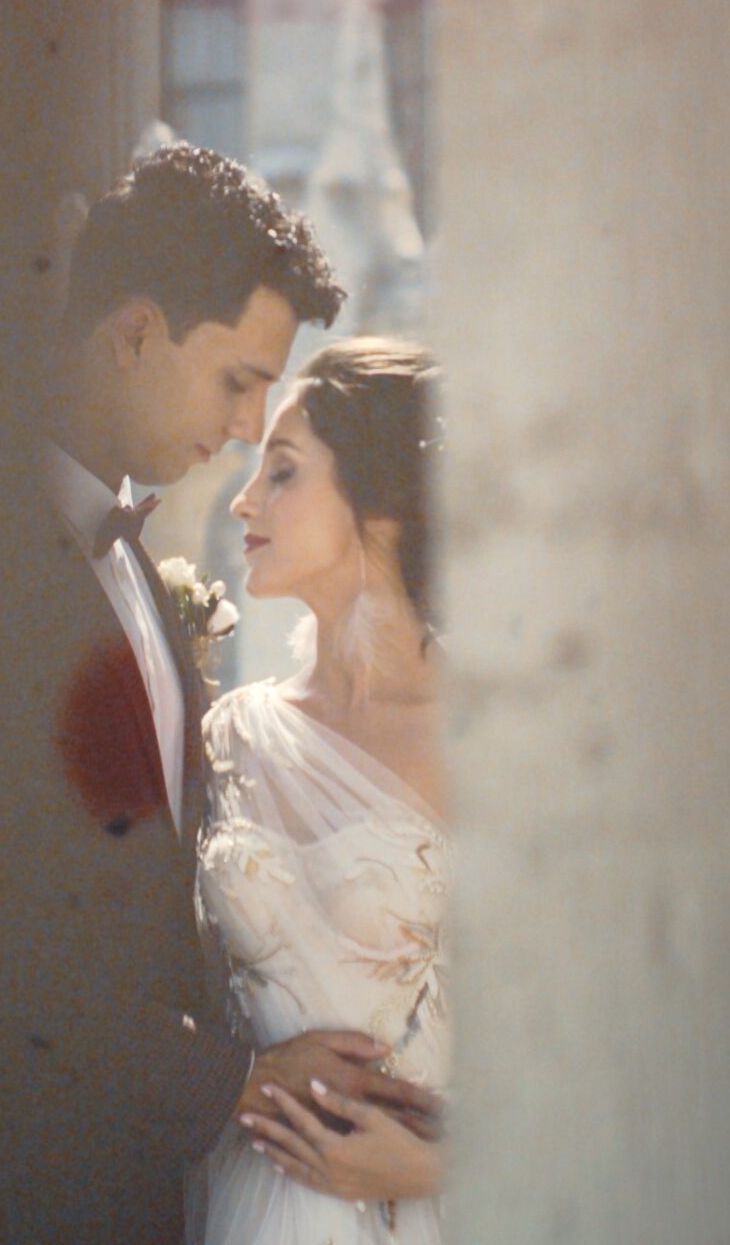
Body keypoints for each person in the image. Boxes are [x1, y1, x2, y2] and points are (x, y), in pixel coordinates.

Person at [16, 146, 439, 1240]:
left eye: (283, 454)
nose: (248, 430)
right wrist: (236, 1085)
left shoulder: (141, 584)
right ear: (135, 334)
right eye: (239, 382)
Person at [197, 337, 452, 1243]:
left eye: (283, 472)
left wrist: (435, 1166)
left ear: (381, 505)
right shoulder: (232, 736)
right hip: (246, 1206)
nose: (244, 500)